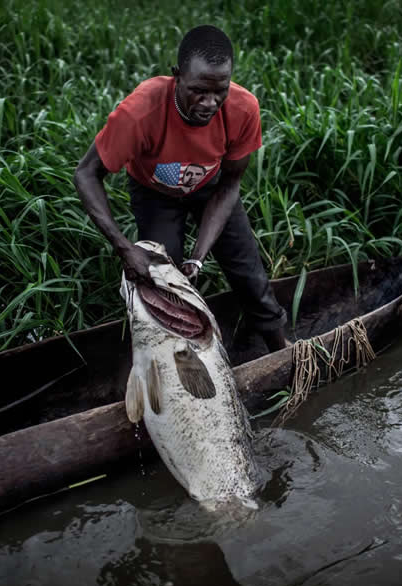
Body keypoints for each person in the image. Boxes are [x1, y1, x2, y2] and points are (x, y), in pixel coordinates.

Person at [73, 25, 288, 352]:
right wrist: (124, 248)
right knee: (162, 281)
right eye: (198, 91)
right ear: (177, 76)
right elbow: (86, 173)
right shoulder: (140, 111)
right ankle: (179, 359)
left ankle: (280, 348)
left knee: (249, 271)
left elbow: (230, 183)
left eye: (220, 91)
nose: (209, 103)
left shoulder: (243, 108)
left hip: (211, 186)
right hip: (155, 192)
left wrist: (199, 257)